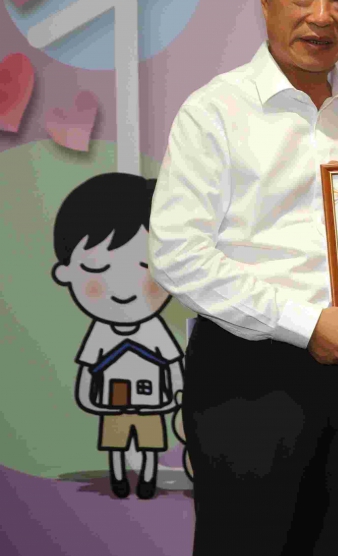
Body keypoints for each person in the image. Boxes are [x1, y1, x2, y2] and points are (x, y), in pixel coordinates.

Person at [148, 0, 338, 554]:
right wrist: (303, 323)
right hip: (245, 375)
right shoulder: (215, 112)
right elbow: (176, 255)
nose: (322, 17)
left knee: (334, 541)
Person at [53, 173, 183, 500]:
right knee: (115, 444)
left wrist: (177, 395)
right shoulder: (100, 333)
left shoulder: (154, 330)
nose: (123, 288)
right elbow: (89, 368)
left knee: (150, 444)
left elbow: (172, 364)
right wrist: (88, 398)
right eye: (97, 269)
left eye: (145, 267)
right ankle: (119, 478)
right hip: (113, 408)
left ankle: (148, 478)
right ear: (65, 272)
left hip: (152, 407)